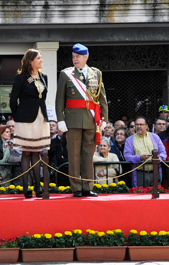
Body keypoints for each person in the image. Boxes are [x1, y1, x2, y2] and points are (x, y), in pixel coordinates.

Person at [55, 43, 108, 197]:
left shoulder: (96, 73)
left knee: (88, 155)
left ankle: (87, 186)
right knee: (74, 155)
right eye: (73, 56)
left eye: (78, 56)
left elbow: (102, 98)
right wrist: (60, 120)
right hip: (73, 120)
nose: (74, 59)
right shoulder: (66, 74)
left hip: (91, 119)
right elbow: (60, 100)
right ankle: (76, 187)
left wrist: (103, 118)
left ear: (86, 57)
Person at [9, 48, 50, 198]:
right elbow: (13, 100)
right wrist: (17, 116)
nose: (41, 60)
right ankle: (26, 188)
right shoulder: (21, 78)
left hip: (41, 118)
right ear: (30, 61)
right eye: (38, 58)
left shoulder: (44, 77)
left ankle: (38, 188)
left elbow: (43, 99)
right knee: (26, 152)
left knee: (37, 153)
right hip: (24, 119)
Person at [124, 116, 167, 188]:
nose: (138, 126)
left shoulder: (155, 137)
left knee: (156, 196)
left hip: (155, 172)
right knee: (140, 196)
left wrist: (157, 158)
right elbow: (127, 156)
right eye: (137, 124)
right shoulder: (129, 140)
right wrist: (140, 158)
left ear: (146, 126)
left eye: (141, 124)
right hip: (140, 173)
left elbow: (163, 153)